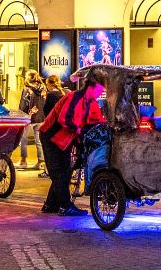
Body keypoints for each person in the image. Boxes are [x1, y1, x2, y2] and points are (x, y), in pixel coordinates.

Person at [39, 81, 104, 216]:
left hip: (66, 139)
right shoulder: (74, 97)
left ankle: (51, 204)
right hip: (51, 136)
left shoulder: (90, 102)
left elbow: (96, 120)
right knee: (59, 172)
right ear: (90, 87)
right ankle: (65, 206)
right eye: (98, 90)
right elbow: (65, 118)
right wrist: (79, 129)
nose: (99, 93)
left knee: (65, 171)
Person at [18, 71, 46, 169]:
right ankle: (40, 162)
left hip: (28, 117)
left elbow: (23, 104)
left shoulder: (27, 89)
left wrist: (20, 114)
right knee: (38, 140)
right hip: (41, 117)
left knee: (23, 139)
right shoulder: (43, 89)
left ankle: (23, 161)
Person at [38, 76, 64, 179]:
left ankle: (49, 170)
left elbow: (46, 111)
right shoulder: (63, 94)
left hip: (51, 126)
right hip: (60, 127)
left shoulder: (51, 95)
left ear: (49, 84)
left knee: (49, 152)